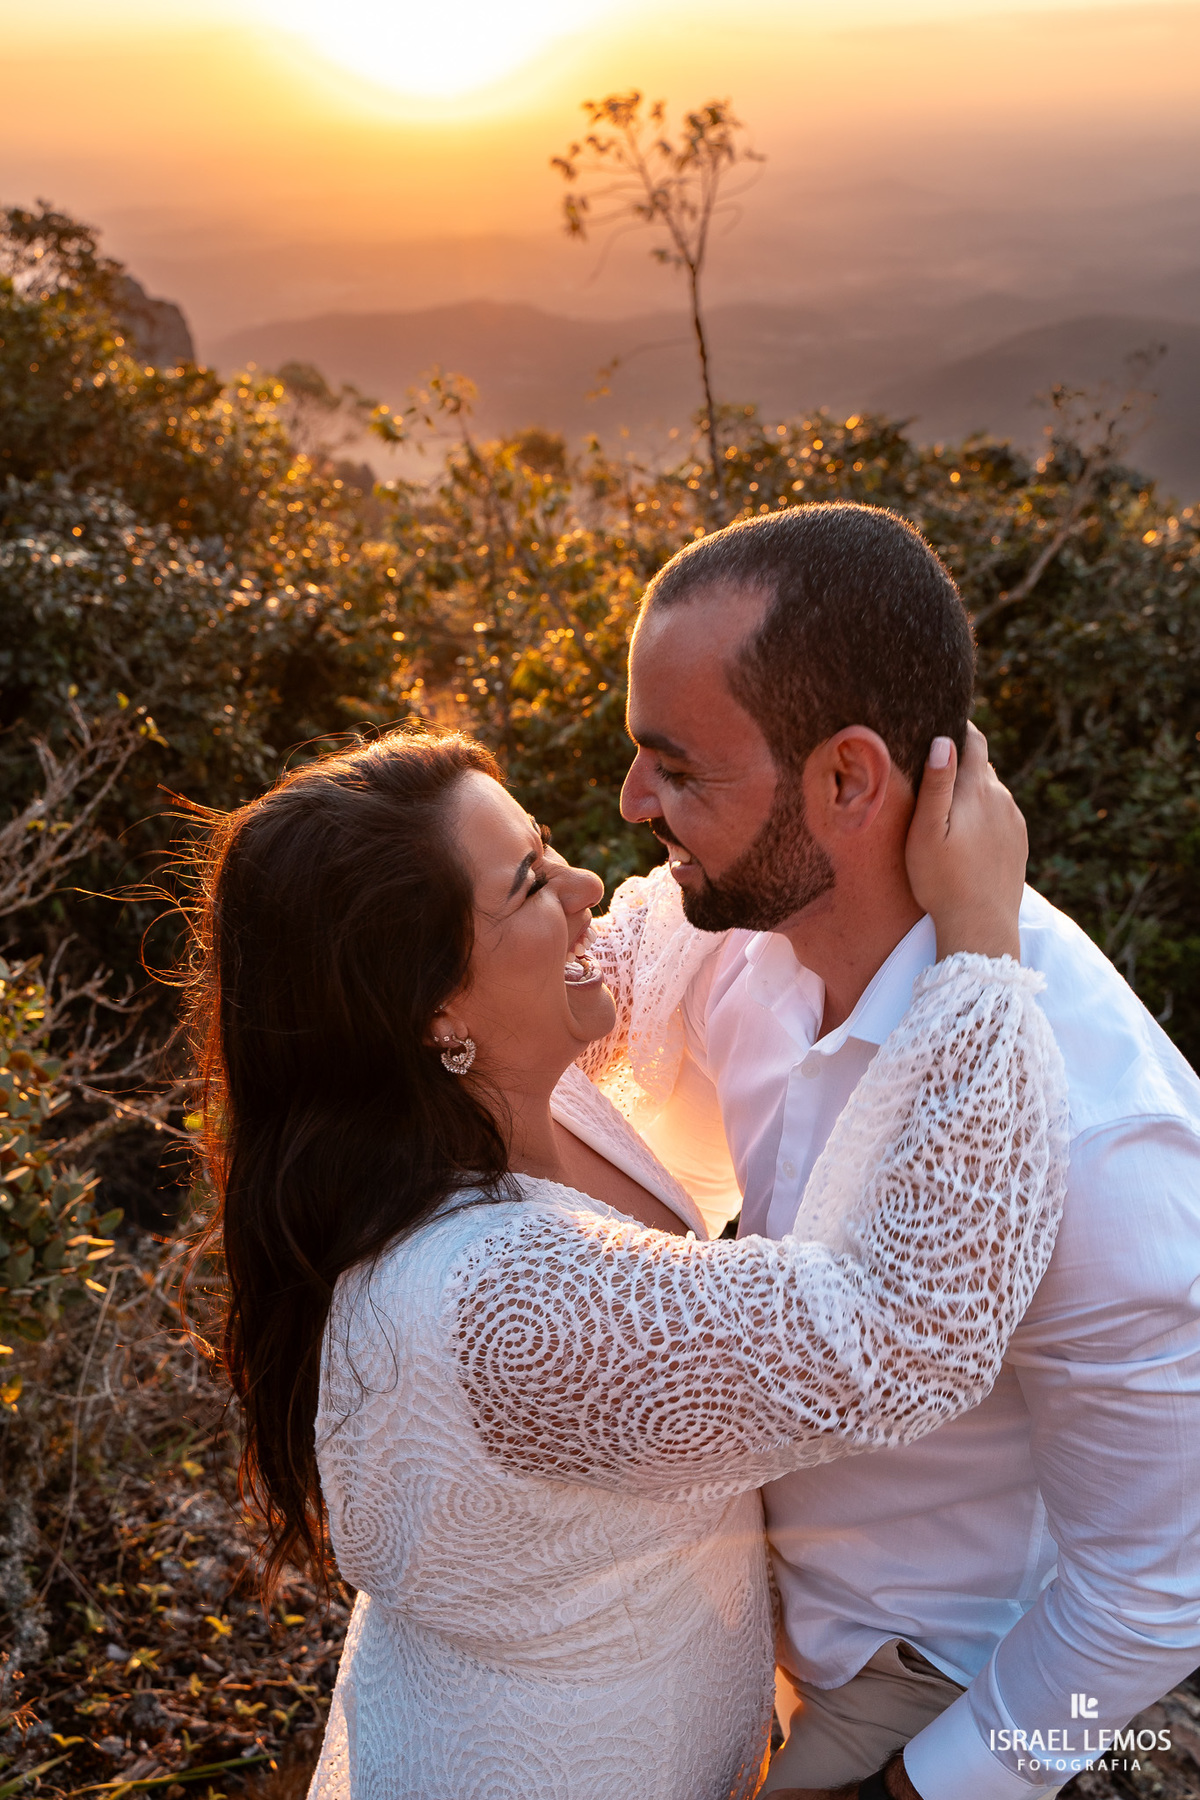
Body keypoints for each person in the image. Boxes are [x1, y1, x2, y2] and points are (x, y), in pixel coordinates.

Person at [187, 722, 1064, 1800]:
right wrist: (980, 942)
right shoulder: (507, 1307)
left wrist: (805, 763)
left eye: (548, 843)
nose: (587, 884)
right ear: (431, 1011)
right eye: (527, 883)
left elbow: (670, 919)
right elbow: (901, 1333)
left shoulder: (507, 1084)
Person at [606, 500, 1200, 1800]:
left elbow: (1152, 1599)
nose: (631, 800)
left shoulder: (1098, 1134)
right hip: (744, 1613)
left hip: (937, 1678)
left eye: (679, 767)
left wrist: (924, 1790)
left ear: (848, 779)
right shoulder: (724, 943)